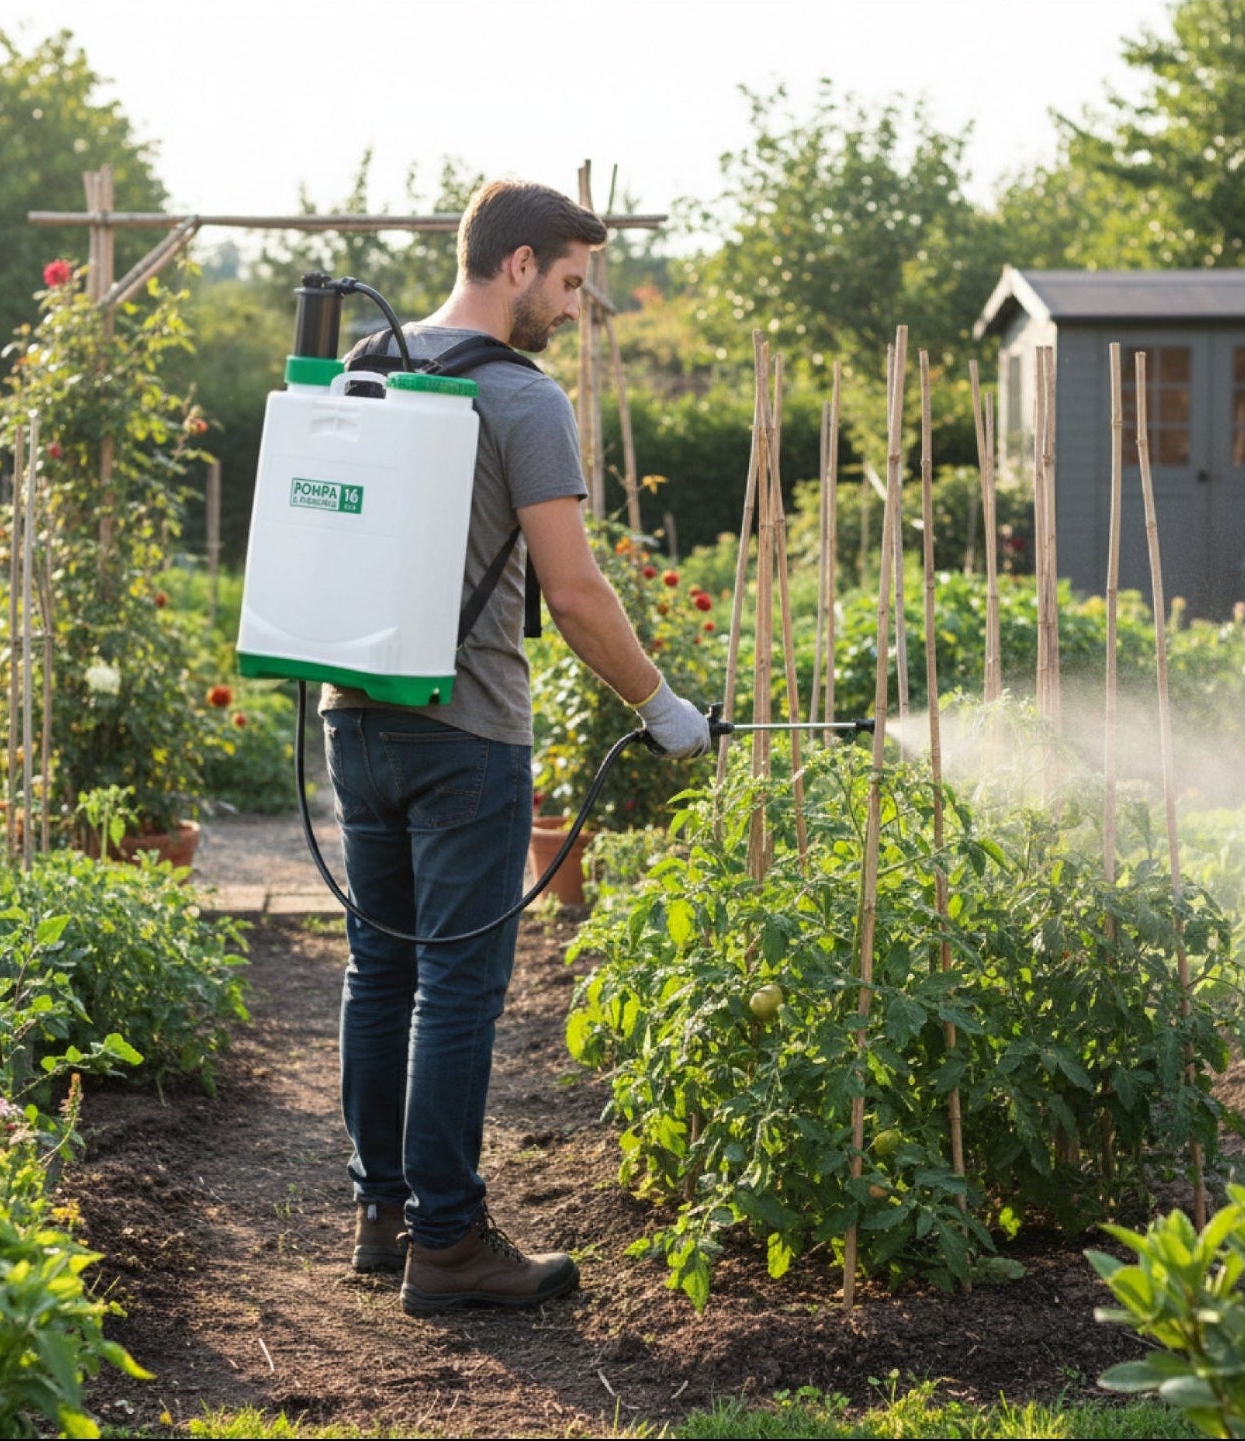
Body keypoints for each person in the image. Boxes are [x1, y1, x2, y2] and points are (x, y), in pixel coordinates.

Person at [321, 179, 709, 1317]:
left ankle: (382, 1214)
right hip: (469, 732)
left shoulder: (368, 359)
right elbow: (577, 593)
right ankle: (449, 1244)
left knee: (379, 971)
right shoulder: (524, 400)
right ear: (521, 262)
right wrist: (659, 701)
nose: (578, 307)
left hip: (355, 712)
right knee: (455, 987)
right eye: (575, 282)